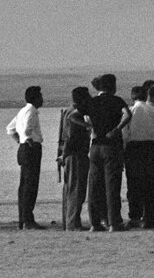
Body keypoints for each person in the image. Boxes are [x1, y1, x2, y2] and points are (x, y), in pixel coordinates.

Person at [83, 73, 131, 232]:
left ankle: (95, 222)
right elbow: (128, 114)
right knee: (112, 185)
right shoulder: (117, 100)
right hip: (111, 146)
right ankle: (113, 222)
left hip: (95, 147)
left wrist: (91, 127)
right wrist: (117, 129)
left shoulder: (91, 101)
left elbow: (76, 116)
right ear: (112, 86)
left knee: (95, 185)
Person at [124, 83, 154, 228]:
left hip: (133, 149)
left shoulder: (130, 111)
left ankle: (135, 216)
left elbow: (125, 134)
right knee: (152, 185)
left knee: (134, 184)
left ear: (132, 97)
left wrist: (124, 153)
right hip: (151, 148)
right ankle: (149, 217)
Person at [6, 85, 46, 230]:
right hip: (31, 148)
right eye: (40, 96)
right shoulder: (31, 111)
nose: (42, 99)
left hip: (23, 148)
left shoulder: (22, 111)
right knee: (30, 185)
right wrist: (27, 138)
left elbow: (10, 129)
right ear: (35, 98)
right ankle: (28, 220)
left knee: (24, 185)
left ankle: (23, 218)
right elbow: (26, 127)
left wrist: (20, 140)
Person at [57, 86, 91, 231]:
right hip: (75, 154)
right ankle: (72, 223)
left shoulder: (67, 111)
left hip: (70, 154)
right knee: (76, 189)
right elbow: (70, 137)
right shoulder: (75, 114)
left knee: (70, 188)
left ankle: (69, 222)